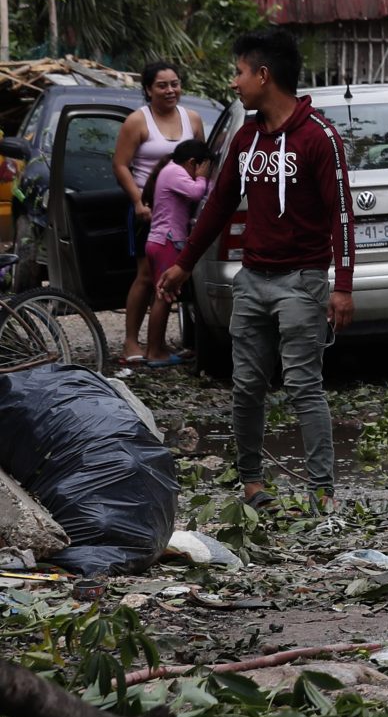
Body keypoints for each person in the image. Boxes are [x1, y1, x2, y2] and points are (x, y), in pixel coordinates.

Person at [158, 27, 355, 505]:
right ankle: (252, 484)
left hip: (303, 282)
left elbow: (342, 213)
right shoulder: (246, 139)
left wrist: (342, 286)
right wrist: (183, 265)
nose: (234, 82)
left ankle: (322, 492)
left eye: (240, 72)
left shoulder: (319, 137)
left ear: (264, 76)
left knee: (304, 385)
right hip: (252, 281)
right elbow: (220, 207)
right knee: (246, 386)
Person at [111, 61, 205, 364]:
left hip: (183, 210)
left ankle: (161, 345)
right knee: (146, 276)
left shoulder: (192, 119)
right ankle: (130, 343)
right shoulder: (138, 122)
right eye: (162, 85)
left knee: (177, 276)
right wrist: (138, 202)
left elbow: (201, 162)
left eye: (175, 84)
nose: (170, 91)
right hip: (148, 210)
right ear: (148, 89)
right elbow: (120, 165)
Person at [139, 137, 214, 366]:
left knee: (160, 295)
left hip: (159, 241)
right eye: (201, 167)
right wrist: (202, 177)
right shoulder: (175, 172)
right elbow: (196, 192)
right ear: (193, 162)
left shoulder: (169, 170)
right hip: (168, 242)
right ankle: (155, 353)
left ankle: (158, 348)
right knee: (165, 296)